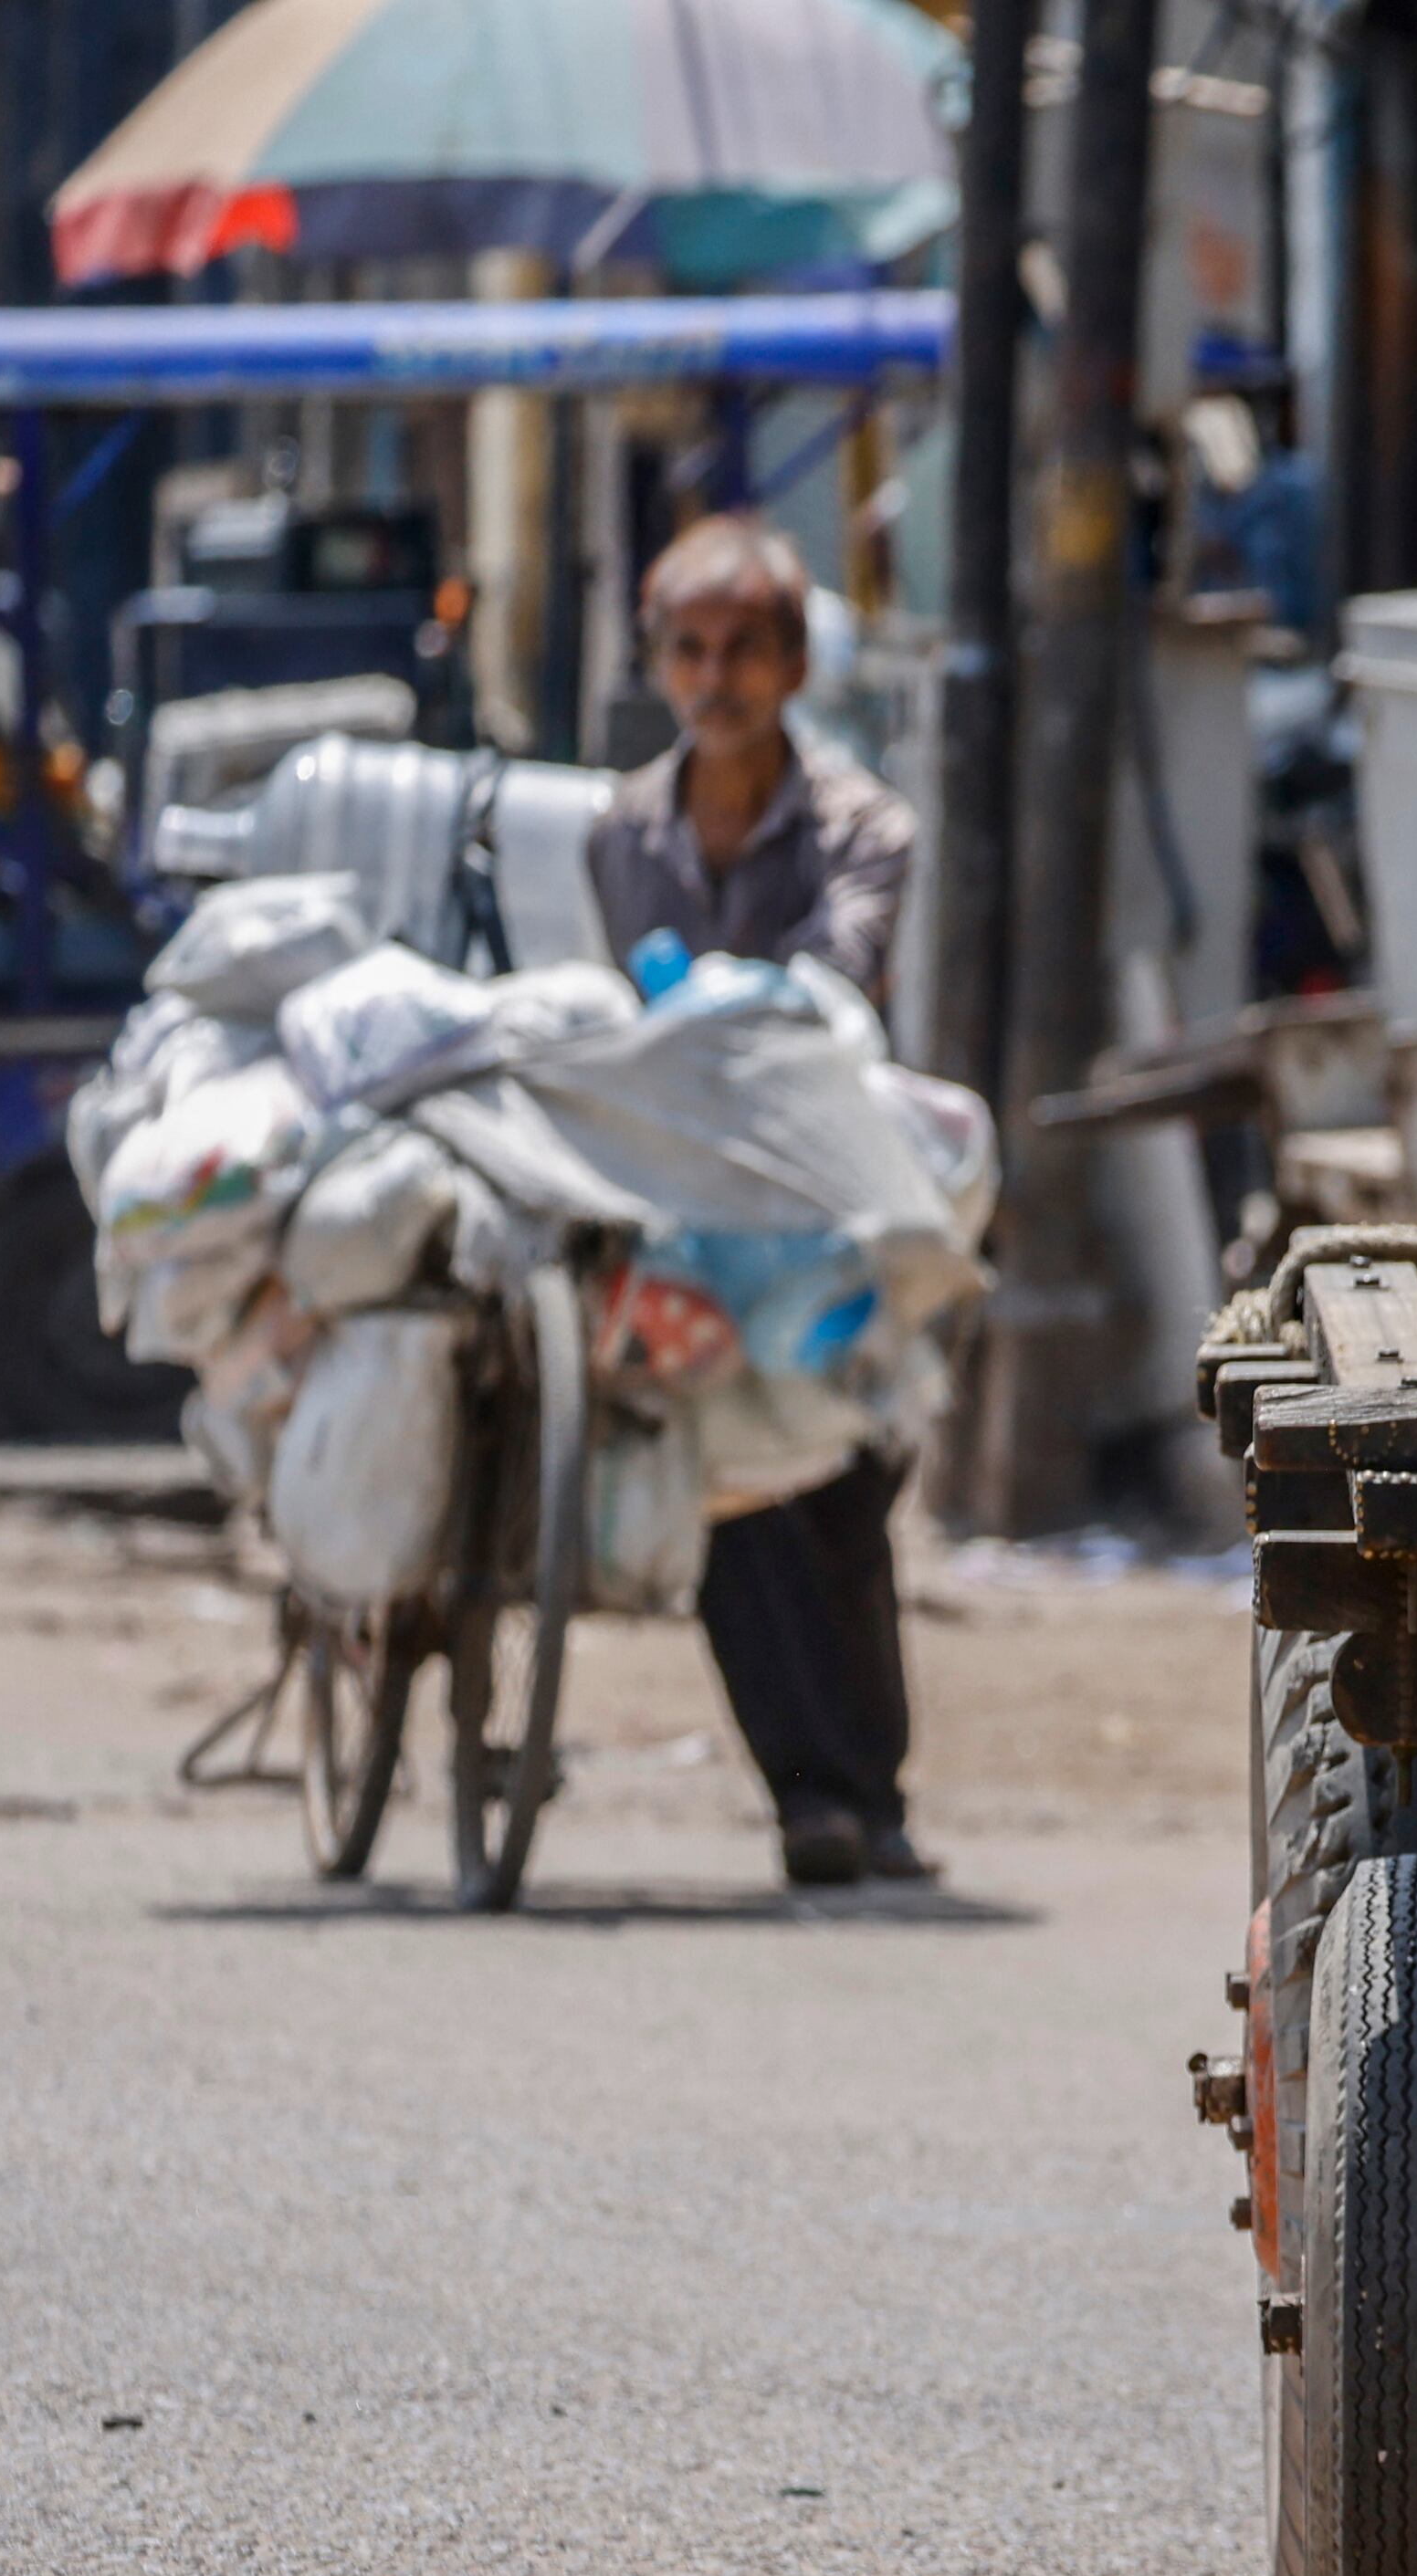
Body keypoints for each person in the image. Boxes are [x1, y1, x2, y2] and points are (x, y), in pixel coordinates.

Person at [583, 513, 935, 1891]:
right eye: (690, 649)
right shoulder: (617, 834)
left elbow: (837, 984)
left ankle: (871, 1788)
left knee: (845, 1492)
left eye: (743, 649)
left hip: (824, 1207)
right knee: (727, 1489)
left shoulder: (863, 829)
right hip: (677, 1211)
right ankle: (817, 1799)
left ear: (792, 665)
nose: (714, 676)